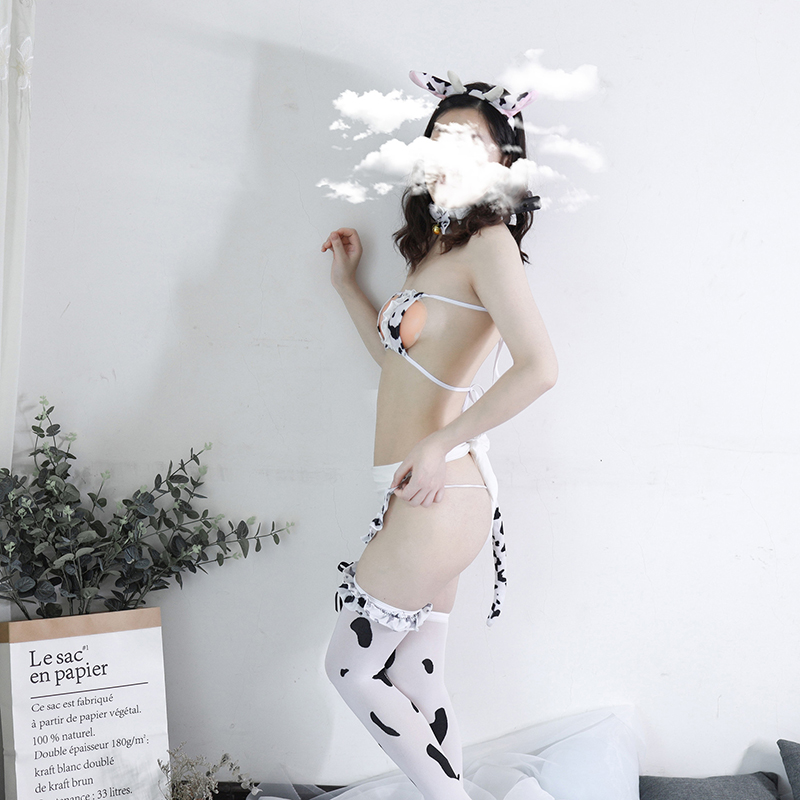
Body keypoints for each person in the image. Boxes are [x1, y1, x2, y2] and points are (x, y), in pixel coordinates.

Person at [320, 71, 558, 800]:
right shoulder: (434, 251)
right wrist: (348, 289)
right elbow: (396, 366)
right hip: (426, 488)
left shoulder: (489, 243)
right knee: (418, 675)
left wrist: (437, 442)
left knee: (351, 669)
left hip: (442, 487)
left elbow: (541, 368)